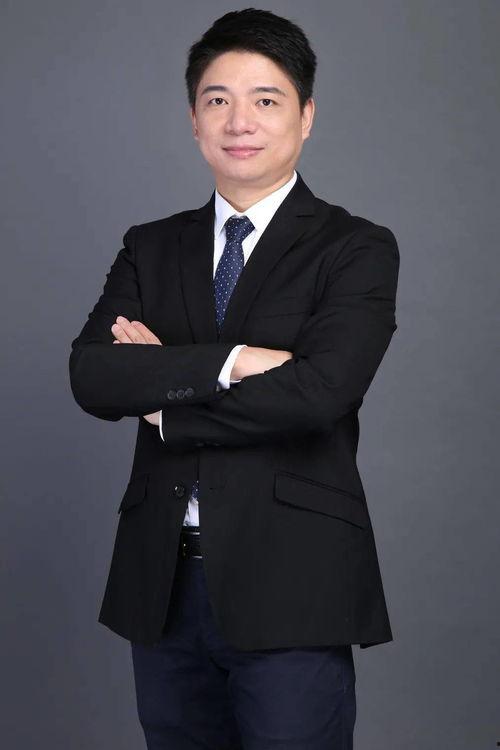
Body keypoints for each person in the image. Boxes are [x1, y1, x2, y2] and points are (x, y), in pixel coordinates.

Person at [69, 8, 400, 749]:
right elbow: (92, 376)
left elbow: (319, 394)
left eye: (265, 99)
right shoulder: (150, 247)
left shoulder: (355, 247)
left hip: (294, 582)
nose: (239, 121)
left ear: (306, 116)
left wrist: (165, 402)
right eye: (217, 99)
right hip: (162, 584)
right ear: (194, 119)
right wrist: (236, 361)